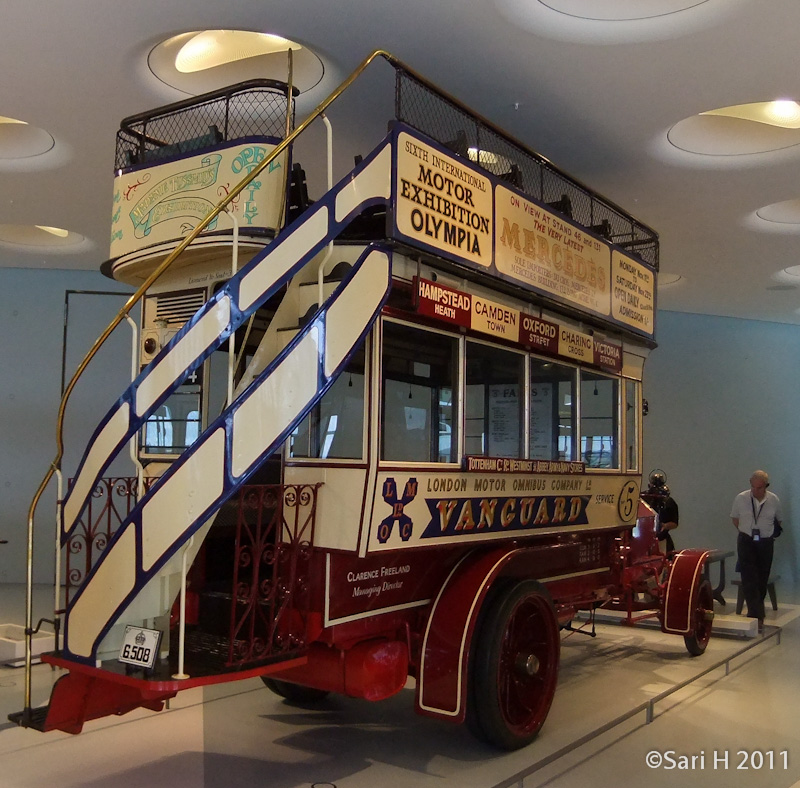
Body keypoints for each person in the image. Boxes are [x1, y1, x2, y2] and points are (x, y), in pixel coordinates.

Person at [730, 470, 782, 632]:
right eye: (752, 487)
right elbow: (735, 519)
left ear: (765, 486)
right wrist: (747, 532)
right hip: (747, 541)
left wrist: (767, 534)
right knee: (749, 577)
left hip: (766, 542)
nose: (755, 491)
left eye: (758, 488)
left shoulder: (773, 500)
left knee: (762, 578)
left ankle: (757, 612)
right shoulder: (741, 498)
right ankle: (756, 615)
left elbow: (778, 520)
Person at [642, 470, 679, 553]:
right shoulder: (643, 498)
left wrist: (664, 526)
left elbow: (674, 523)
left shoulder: (669, 502)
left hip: (661, 538)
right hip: (643, 537)